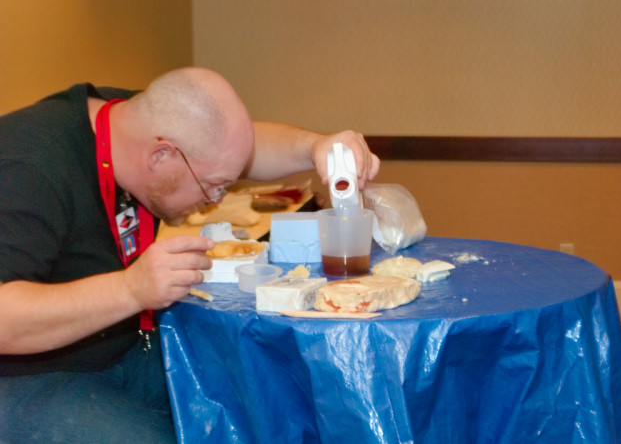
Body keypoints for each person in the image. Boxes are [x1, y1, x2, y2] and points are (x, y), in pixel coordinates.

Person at [0, 67, 380, 443]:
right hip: (26, 377)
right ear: (161, 155)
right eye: (214, 186)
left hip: (119, 350)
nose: (213, 202)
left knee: (258, 400)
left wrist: (315, 147)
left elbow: (232, 148)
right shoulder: (28, 170)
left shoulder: (130, 120)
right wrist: (130, 290)